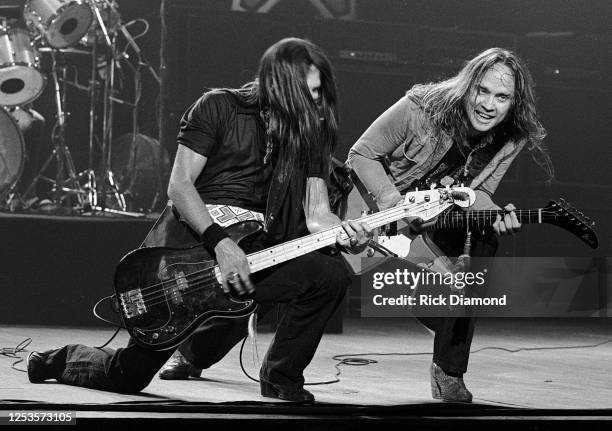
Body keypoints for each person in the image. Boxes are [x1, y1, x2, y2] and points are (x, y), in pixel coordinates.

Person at [26, 37, 372, 402]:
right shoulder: (219, 107)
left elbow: (317, 214)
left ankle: (281, 377)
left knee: (328, 275)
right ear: (281, 86)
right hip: (187, 255)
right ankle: (55, 361)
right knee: (128, 376)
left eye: (321, 93)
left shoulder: (309, 134)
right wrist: (221, 244)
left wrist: (346, 233)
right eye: (311, 92)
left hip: (255, 254)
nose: (317, 101)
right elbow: (180, 186)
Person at [347, 47, 553, 403]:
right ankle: (439, 314)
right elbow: (361, 154)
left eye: (502, 97)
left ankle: (449, 369)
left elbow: (480, 192)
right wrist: (393, 205)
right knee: (439, 307)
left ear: (514, 103)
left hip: (434, 220)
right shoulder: (421, 107)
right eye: (482, 91)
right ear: (468, 85)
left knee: (485, 235)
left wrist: (497, 214)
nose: (489, 104)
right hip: (378, 213)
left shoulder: (511, 137)